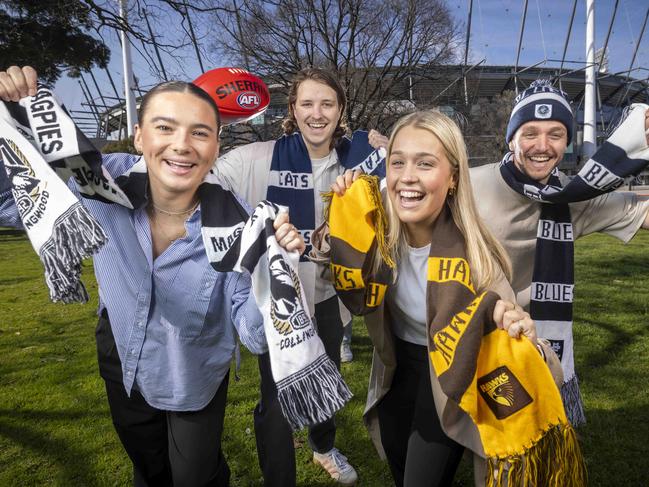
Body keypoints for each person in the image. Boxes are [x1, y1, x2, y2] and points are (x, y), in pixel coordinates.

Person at [0, 65, 305, 487]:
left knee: (196, 477)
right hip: (121, 359)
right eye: (165, 127)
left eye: (200, 132)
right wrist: (10, 119)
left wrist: (277, 271)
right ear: (140, 136)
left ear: (216, 146)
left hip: (193, 374)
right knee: (149, 471)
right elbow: (9, 201)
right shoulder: (97, 181)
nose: (182, 146)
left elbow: (254, 334)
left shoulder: (239, 223)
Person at [325, 110, 577, 486]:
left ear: (453, 177)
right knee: (397, 462)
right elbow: (325, 262)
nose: (407, 176)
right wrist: (340, 209)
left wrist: (526, 336)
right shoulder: (374, 232)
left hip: (449, 379)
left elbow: (525, 342)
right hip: (396, 369)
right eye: (398, 162)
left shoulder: (475, 256)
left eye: (425, 164)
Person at [213, 68, 384, 486]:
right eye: (307, 103)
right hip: (278, 306)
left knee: (326, 381)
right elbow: (202, 177)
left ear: (341, 109)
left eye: (327, 103)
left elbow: (408, 167)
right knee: (274, 402)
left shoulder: (359, 159)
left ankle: (323, 448)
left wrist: (387, 143)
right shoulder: (258, 157)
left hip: (326, 297)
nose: (317, 113)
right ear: (293, 109)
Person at [469, 80, 649, 424]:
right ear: (512, 139)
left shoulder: (573, 198)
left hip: (530, 342)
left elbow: (640, 212)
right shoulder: (471, 184)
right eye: (530, 133)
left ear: (567, 142)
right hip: (469, 334)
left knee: (522, 444)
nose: (542, 145)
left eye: (555, 134)